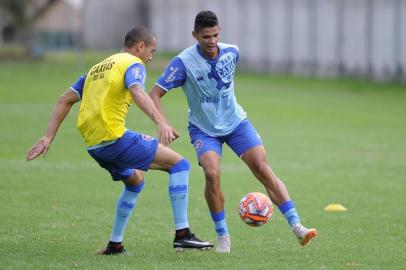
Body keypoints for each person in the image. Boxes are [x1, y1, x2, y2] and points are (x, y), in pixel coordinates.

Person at [26, 26, 213, 255]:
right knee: (180, 165)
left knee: (135, 180)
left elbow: (64, 99)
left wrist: (48, 137)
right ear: (140, 46)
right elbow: (137, 91)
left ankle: (115, 244)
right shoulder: (132, 63)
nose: (151, 56)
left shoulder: (96, 69)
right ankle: (183, 235)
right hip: (114, 139)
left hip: (94, 146)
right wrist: (160, 122)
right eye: (151, 50)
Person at [149, 11, 317, 253]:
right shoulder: (183, 63)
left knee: (262, 167)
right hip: (203, 129)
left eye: (215, 34)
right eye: (206, 36)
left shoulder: (232, 52)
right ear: (195, 35)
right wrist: (162, 123)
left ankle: (298, 227)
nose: (212, 40)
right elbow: (155, 93)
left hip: (236, 123)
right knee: (212, 174)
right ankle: (223, 236)